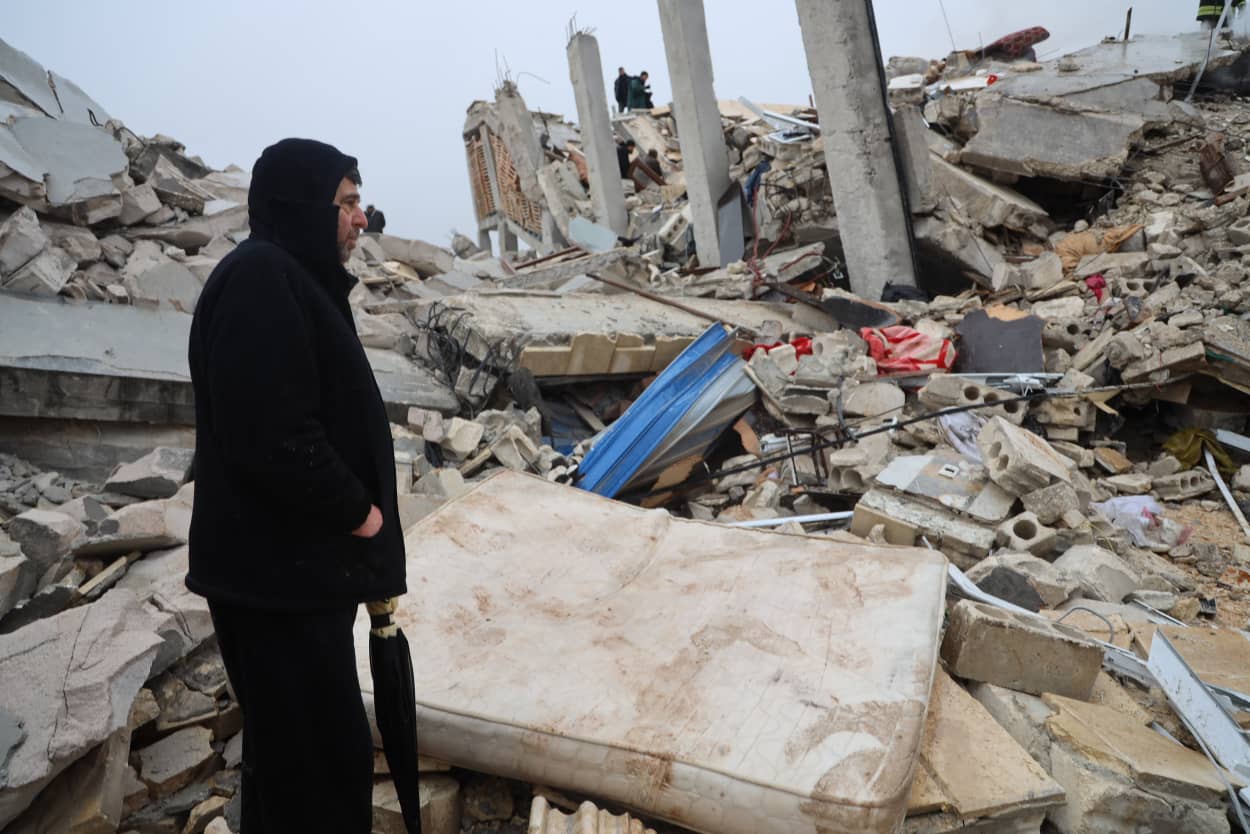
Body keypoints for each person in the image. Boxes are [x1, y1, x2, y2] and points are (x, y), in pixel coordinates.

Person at [186, 138, 406, 834]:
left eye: (358, 203)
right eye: (345, 204)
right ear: (303, 206)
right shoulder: (262, 279)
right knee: (312, 770)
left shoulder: (292, 277)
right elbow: (273, 436)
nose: (360, 219)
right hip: (274, 585)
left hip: (292, 576)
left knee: (308, 764)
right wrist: (361, 514)